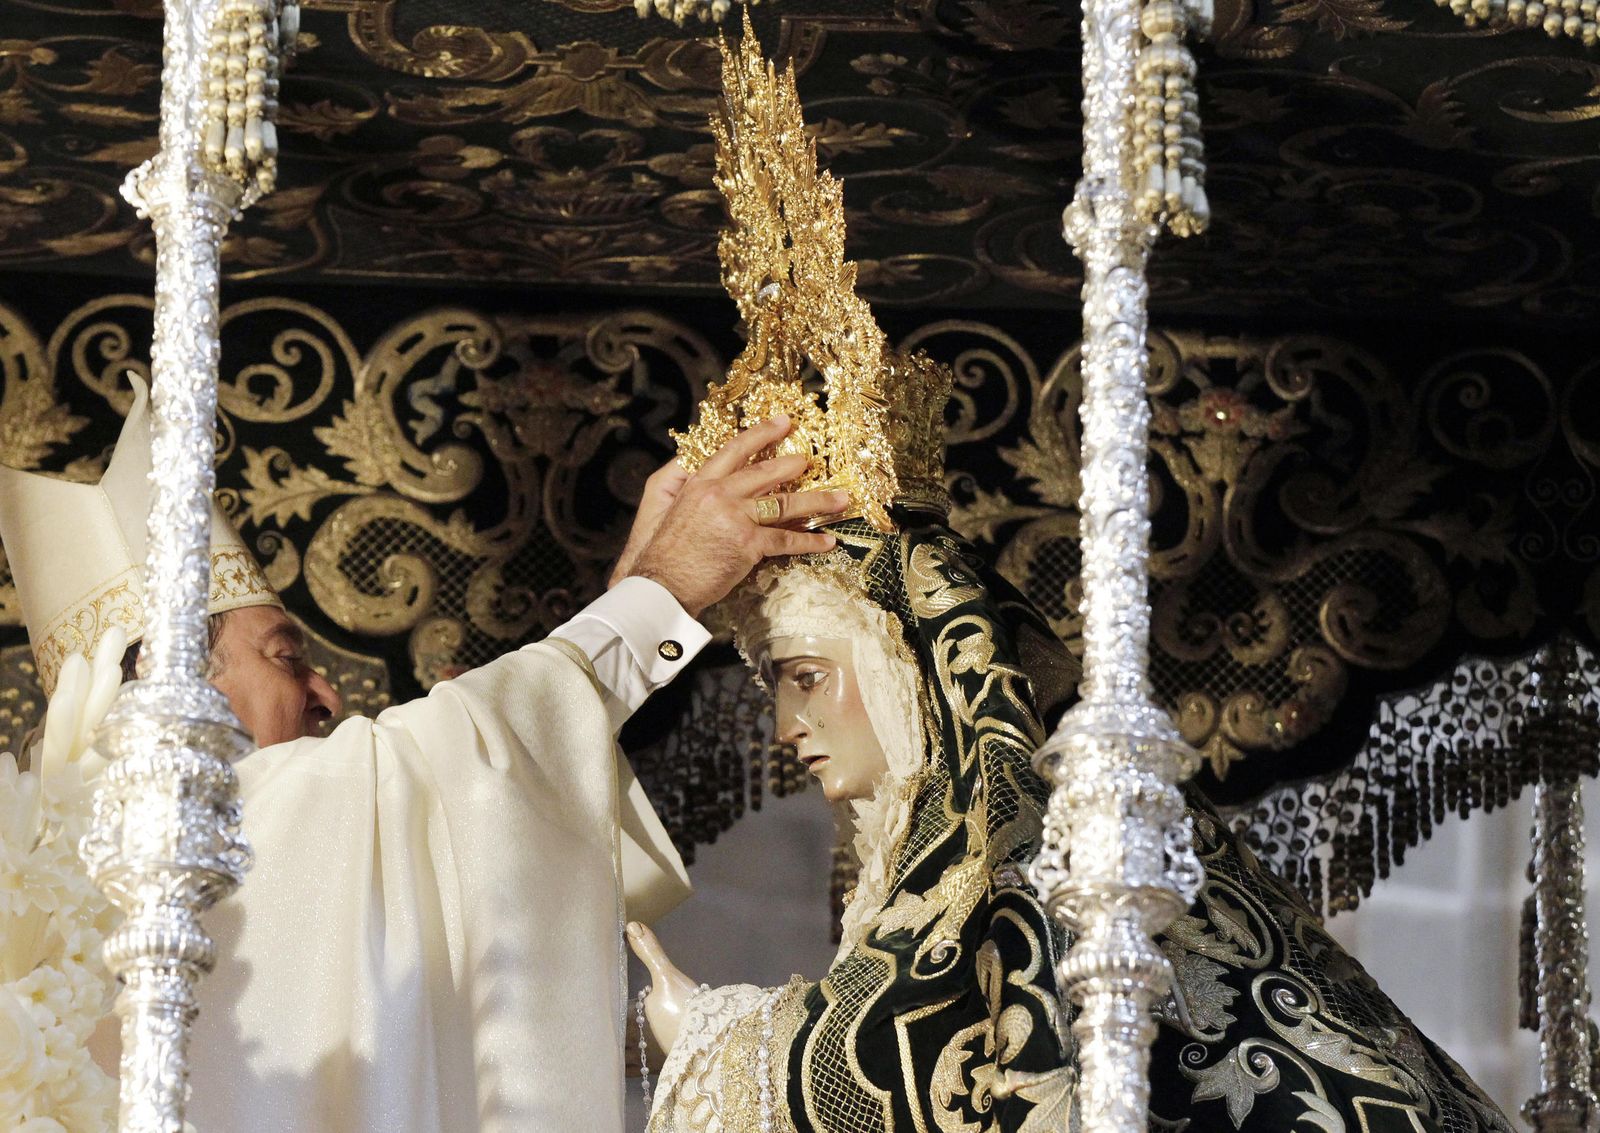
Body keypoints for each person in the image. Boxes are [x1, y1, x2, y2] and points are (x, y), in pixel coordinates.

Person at [0, 376, 848, 1132]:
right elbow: (440, 764)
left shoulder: (56, 877)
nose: (329, 698)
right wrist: (659, 592)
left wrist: (624, 610)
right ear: (172, 680)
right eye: (287, 657)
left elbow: (464, 772)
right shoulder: (170, 852)